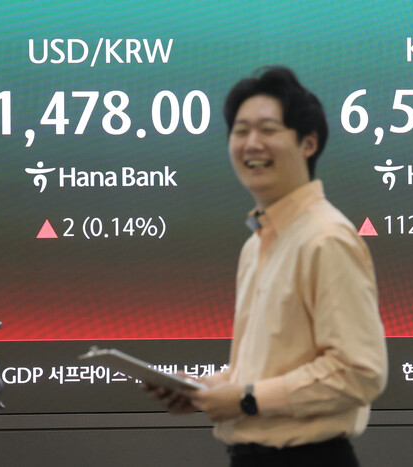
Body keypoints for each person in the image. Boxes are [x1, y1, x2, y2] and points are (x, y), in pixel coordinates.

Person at [144, 66, 388, 467]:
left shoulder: (326, 238)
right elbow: (266, 368)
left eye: (268, 129)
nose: (251, 144)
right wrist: (205, 391)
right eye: (240, 131)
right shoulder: (256, 245)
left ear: (308, 143)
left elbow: (359, 373)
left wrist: (246, 399)